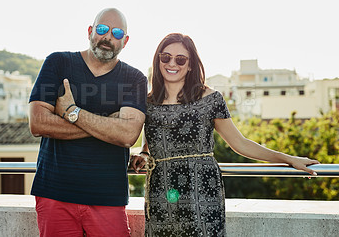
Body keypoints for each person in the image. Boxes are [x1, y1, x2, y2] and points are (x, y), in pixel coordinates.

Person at [131, 33, 320, 236]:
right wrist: (142, 155)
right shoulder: (146, 102)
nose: (172, 63)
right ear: (158, 59)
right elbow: (148, 143)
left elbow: (240, 143)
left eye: (181, 59)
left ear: (191, 65)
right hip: (161, 189)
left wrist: (288, 159)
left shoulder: (210, 98)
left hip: (201, 189)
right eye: (166, 57)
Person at [28, 8, 147, 237]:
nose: (108, 37)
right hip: (55, 193)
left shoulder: (135, 79)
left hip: (108, 197)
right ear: (91, 31)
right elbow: (38, 123)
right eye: (102, 29)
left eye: (117, 33)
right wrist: (107, 125)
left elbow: (127, 135)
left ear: (126, 41)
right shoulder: (58, 63)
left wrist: (72, 112)